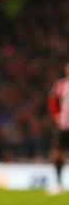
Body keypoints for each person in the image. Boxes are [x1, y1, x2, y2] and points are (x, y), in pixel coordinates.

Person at [47, 62, 69, 194]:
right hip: (63, 125)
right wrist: (56, 116)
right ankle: (58, 182)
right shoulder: (61, 85)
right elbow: (52, 101)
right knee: (57, 153)